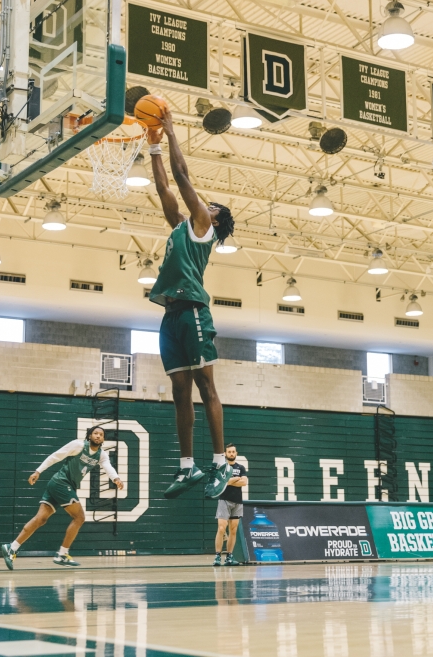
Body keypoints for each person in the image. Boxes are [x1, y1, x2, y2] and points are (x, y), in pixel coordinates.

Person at [147, 106, 236, 500]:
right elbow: (166, 190)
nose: (206, 205)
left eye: (212, 206)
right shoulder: (183, 227)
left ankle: (220, 461)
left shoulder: (204, 229)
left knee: (206, 387)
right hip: (170, 315)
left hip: (195, 312)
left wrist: (170, 132)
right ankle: (188, 467)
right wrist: (152, 149)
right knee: (180, 393)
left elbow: (182, 177)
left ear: (214, 220)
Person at [2, 426, 123, 569]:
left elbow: (108, 466)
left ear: (103, 438)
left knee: (40, 519)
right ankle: (62, 554)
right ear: (89, 436)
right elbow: (55, 456)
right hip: (61, 482)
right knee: (79, 518)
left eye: (101, 434)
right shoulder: (78, 445)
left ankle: (12, 547)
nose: (98, 436)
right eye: (95, 433)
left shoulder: (102, 455)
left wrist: (116, 478)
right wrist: (38, 471)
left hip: (58, 485)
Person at [214, 443, 247, 566]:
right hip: (224, 500)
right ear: (225, 454)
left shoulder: (241, 468)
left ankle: (229, 556)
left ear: (236, 453)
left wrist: (228, 481)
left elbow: (244, 482)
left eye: (233, 452)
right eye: (229, 452)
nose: (231, 454)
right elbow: (221, 482)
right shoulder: (222, 467)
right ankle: (217, 556)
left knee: (233, 530)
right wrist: (234, 480)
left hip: (237, 501)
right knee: (222, 528)